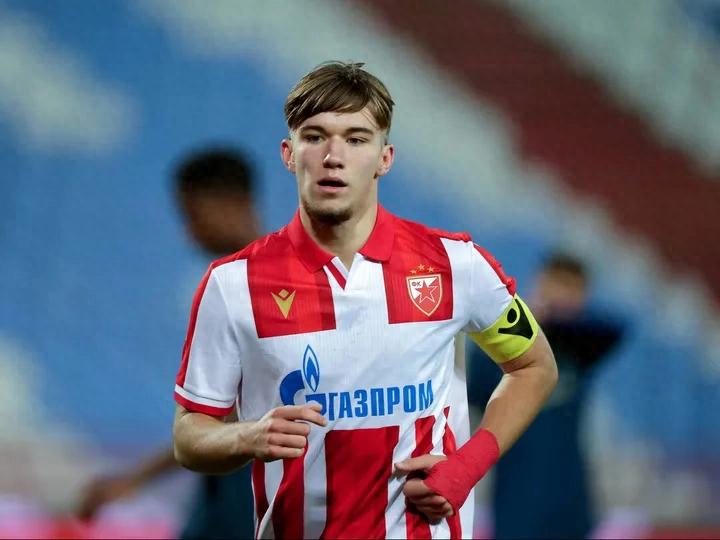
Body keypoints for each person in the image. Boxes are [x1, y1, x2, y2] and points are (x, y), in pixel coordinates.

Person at [172, 61, 558, 539]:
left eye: (356, 139)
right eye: (315, 136)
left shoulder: (455, 265)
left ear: (384, 158)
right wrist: (246, 435)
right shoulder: (233, 285)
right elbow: (189, 435)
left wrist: (467, 466)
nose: (333, 156)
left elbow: (534, 367)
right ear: (289, 154)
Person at [77, 147, 261, 539]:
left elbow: (228, 414)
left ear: (231, 203)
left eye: (192, 215)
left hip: (254, 488)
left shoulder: (270, 287)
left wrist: (137, 478)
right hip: (227, 484)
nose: (188, 232)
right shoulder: (228, 285)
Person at [467, 252, 625, 539]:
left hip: (570, 502)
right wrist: (526, 320)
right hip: (516, 499)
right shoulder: (506, 345)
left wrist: (554, 318)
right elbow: (475, 389)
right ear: (540, 283)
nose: (563, 296)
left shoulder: (580, 347)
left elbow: (616, 328)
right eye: (558, 284)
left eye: (573, 288)